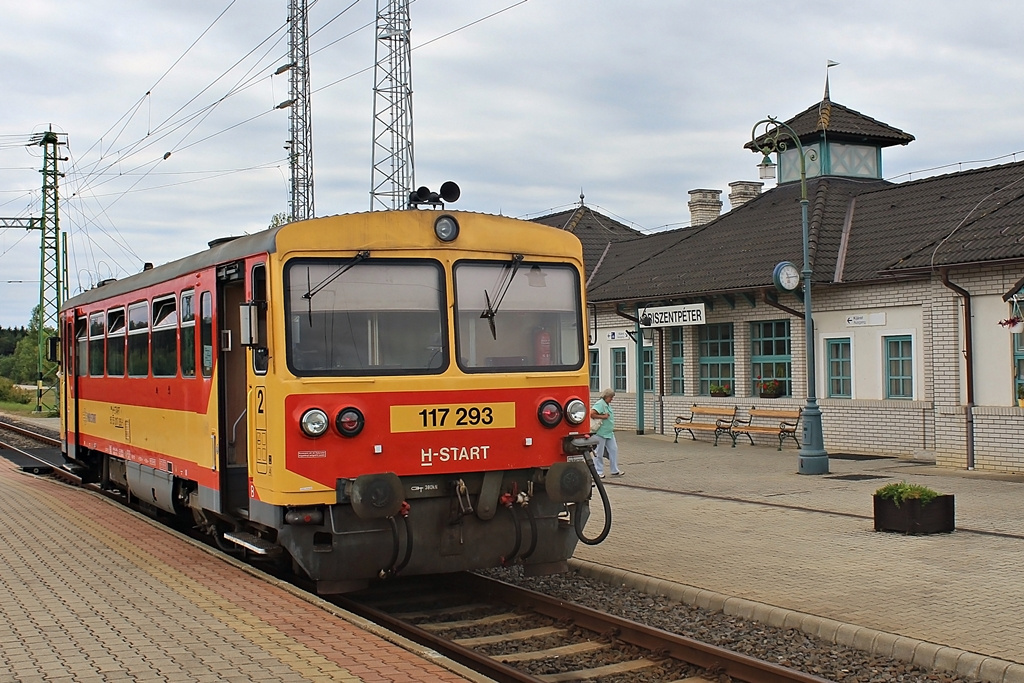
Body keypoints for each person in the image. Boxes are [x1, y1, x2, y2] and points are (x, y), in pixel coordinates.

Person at [590, 388, 623, 478]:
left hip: (609, 433)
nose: (612, 399)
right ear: (606, 396)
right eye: (611, 397)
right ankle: (598, 471)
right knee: (598, 453)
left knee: (613, 450)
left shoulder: (607, 404)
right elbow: (592, 414)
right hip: (600, 433)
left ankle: (614, 470)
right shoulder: (600, 404)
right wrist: (603, 416)